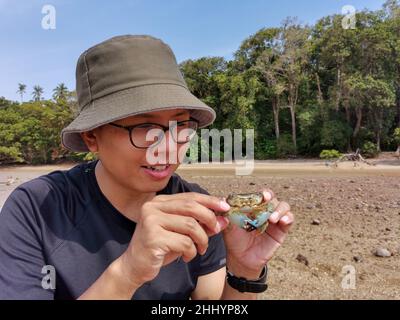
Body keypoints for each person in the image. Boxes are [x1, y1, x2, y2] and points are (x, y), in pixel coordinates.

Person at [0, 35, 294, 300]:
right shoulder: (36, 211)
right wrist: (128, 273)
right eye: (144, 127)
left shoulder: (197, 213)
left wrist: (244, 271)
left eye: (180, 125)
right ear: (92, 136)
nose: (168, 147)